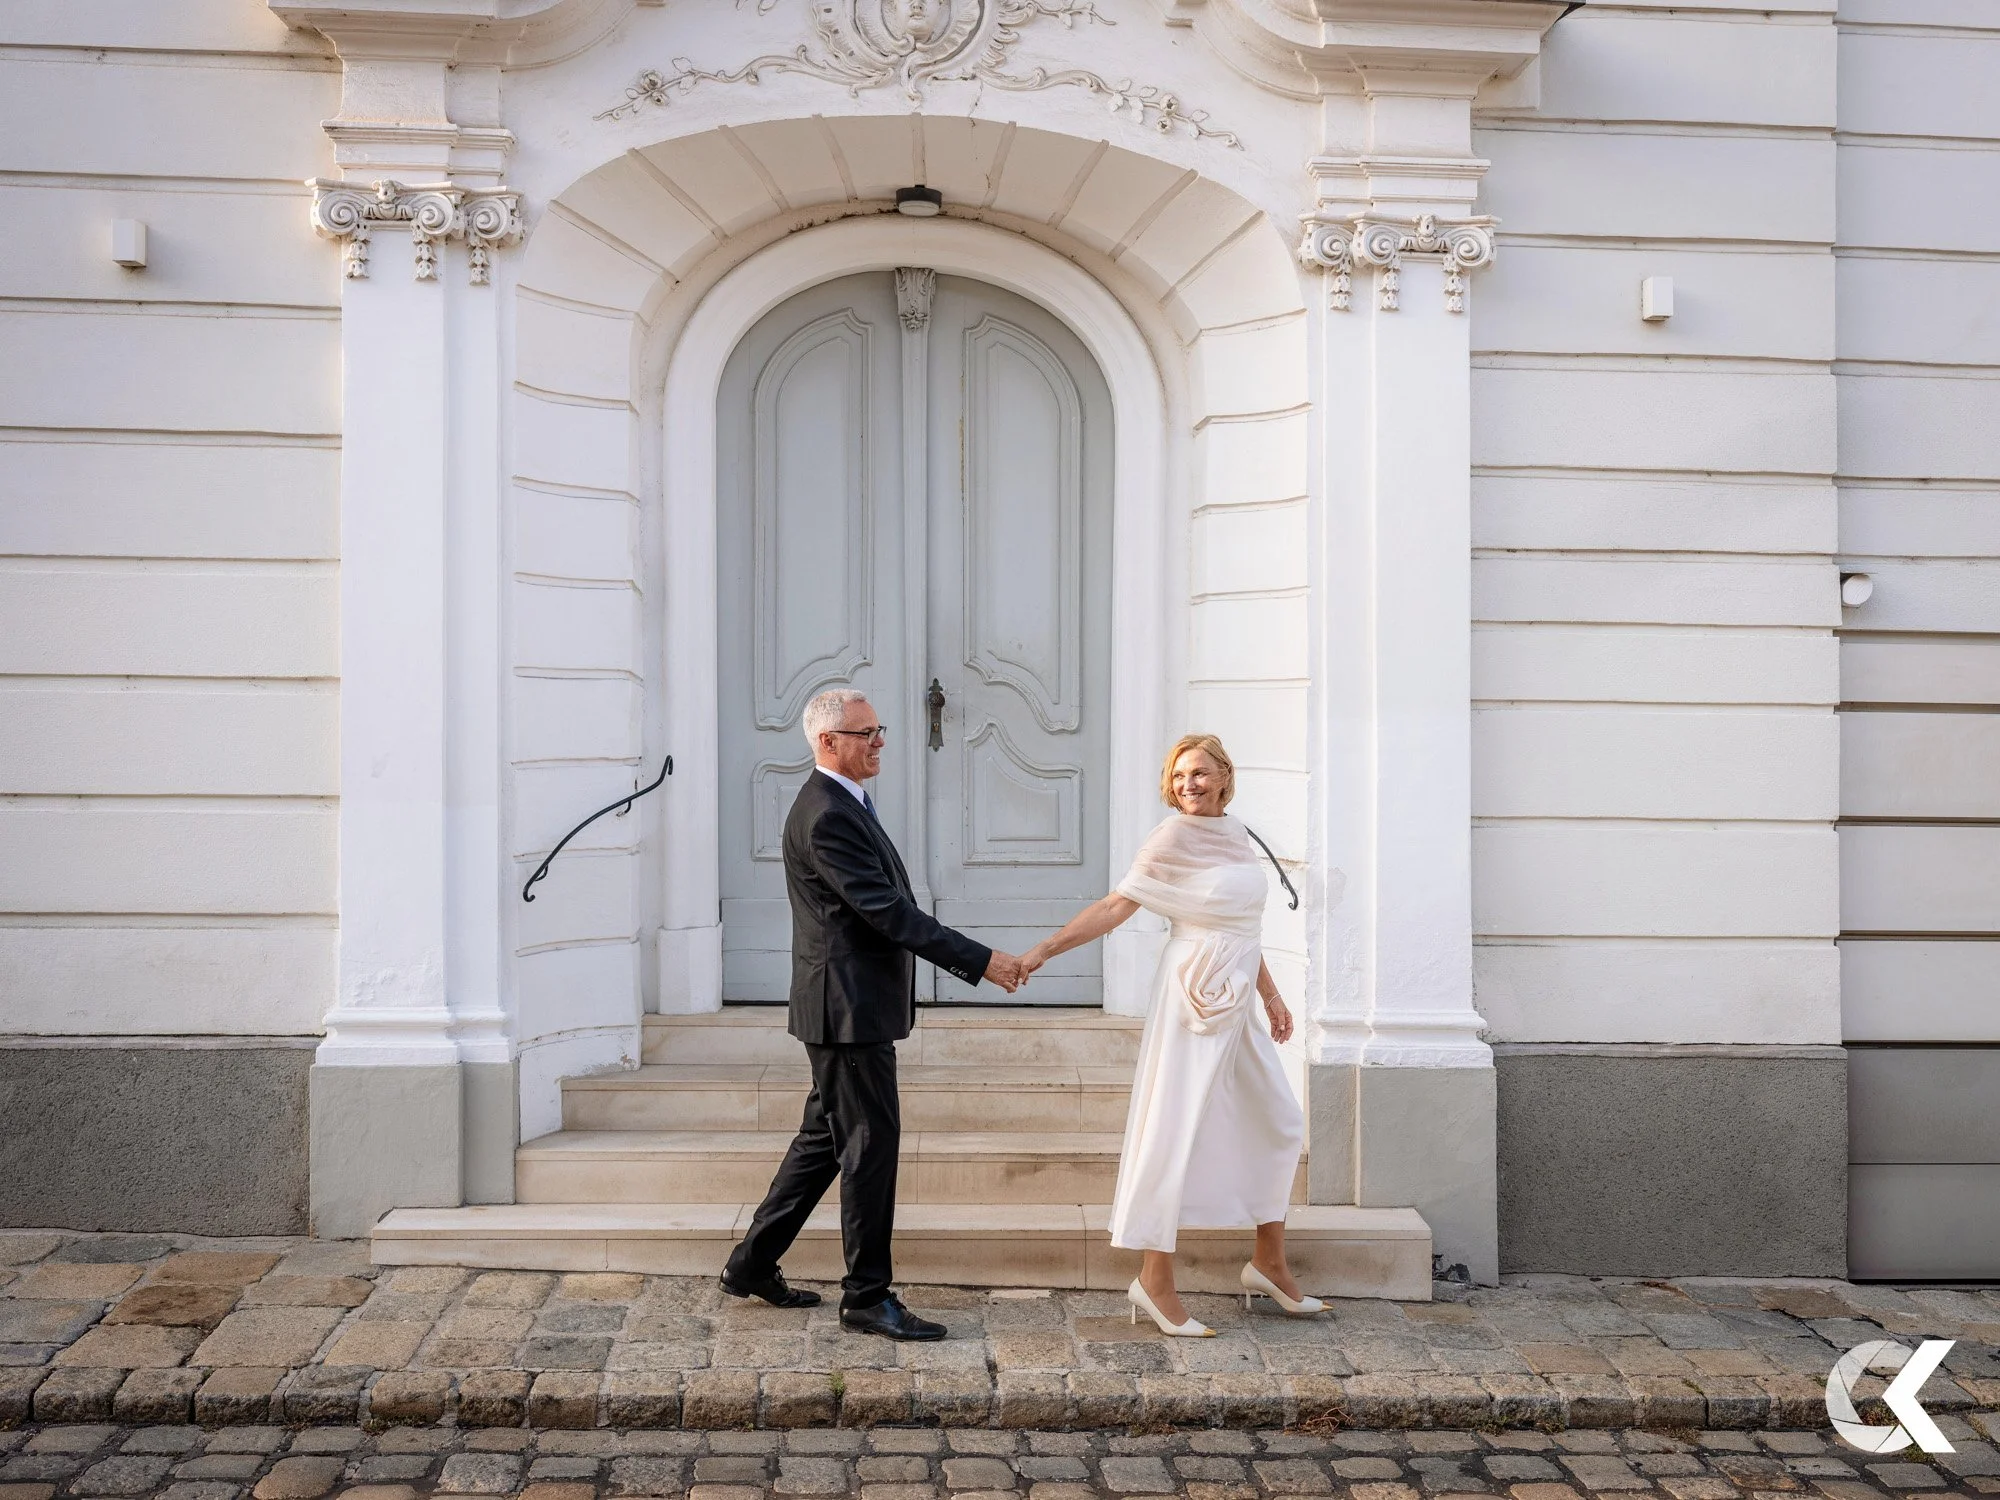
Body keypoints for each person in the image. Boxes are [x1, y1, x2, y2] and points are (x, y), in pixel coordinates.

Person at [720, 688, 1031, 1340]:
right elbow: (886, 913)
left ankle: (751, 1263)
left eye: (878, 729)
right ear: (827, 742)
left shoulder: (843, 803)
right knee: (869, 1147)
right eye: (866, 733)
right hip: (846, 1010)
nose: (880, 740)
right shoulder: (826, 814)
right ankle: (866, 1295)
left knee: (826, 1142)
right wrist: (982, 961)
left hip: (847, 1005)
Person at [1020, 733, 1324, 1336]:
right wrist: (1045, 951)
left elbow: (1242, 924)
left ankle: (1269, 1263)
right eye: (1180, 775)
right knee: (1174, 1129)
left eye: (1201, 773)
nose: (1189, 784)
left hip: (1238, 996)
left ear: (1224, 776)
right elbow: (1115, 907)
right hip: (1192, 996)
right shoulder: (1170, 837)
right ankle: (1155, 1280)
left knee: (1279, 1120)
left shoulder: (1237, 833)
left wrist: (1271, 994)